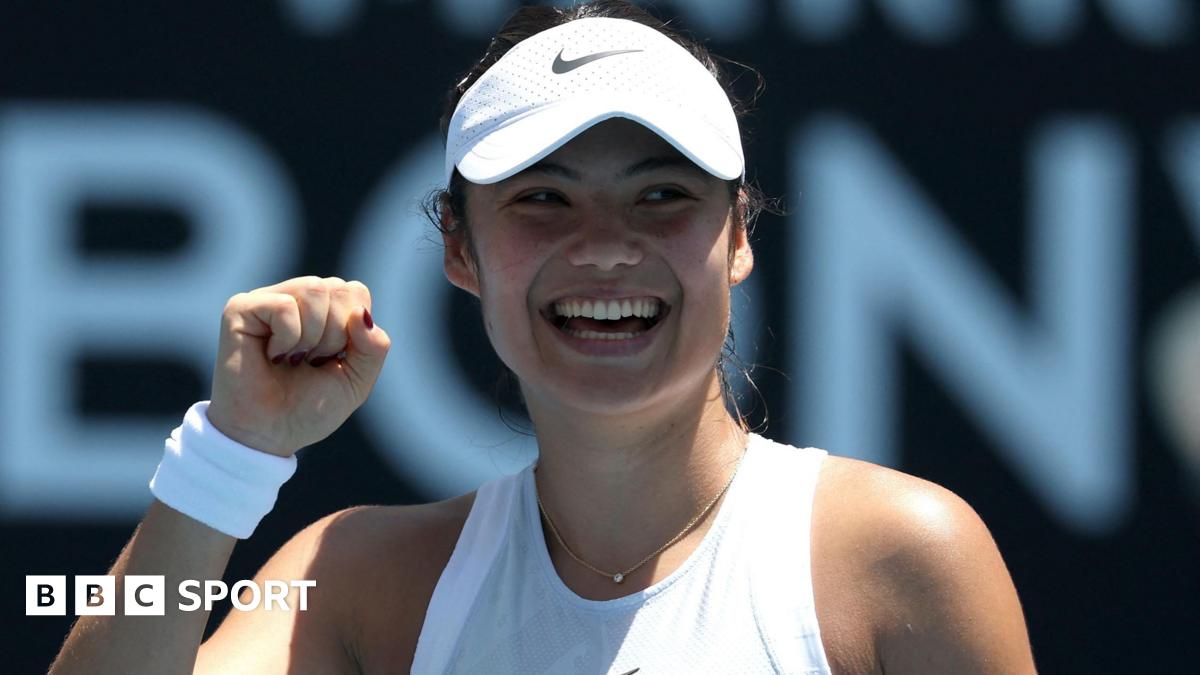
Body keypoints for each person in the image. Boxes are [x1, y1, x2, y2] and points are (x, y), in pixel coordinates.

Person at [49, 1, 1037, 673]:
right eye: (543, 199)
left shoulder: (904, 556)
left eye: (660, 195)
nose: (605, 247)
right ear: (460, 248)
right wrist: (226, 457)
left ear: (738, 234)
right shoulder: (349, 579)